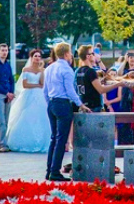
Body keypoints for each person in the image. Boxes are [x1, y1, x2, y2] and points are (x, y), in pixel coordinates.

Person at [43, 42, 92, 181]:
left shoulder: (49, 68)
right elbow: (70, 91)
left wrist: (50, 103)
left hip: (52, 103)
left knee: (54, 138)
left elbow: (45, 91)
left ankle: (49, 170)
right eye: (70, 53)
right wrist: (80, 104)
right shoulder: (67, 70)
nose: (72, 55)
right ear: (66, 54)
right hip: (63, 104)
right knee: (61, 140)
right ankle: (55, 172)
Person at [6, 49, 50, 152]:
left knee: (40, 116)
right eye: (35, 56)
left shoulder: (42, 70)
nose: (37, 58)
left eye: (39, 56)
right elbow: (25, 84)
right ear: (31, 57)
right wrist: (36, 85)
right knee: (24, 115)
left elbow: (42, 84)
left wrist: (41, 71)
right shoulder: (26, 69)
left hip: (39, 95)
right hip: (28, 94)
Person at [75, 45, 119, 112]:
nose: (94, 55)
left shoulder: (78, 71)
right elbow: (101, 90)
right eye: (92, 53)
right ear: (88, 56)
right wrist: (118, 84)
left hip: (83, 106)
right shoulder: (90, 71)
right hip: (93, 107)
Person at [0, 43, 15, 153]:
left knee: (6, 120)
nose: (4, 52)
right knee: (1, 120)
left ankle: (3, 141)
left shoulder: (8, 65)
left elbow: (11, 80)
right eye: (2, 50)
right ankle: (1, 144)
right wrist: (6, 93)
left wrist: (11, 92)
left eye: (6, 50)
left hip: (8, 95)